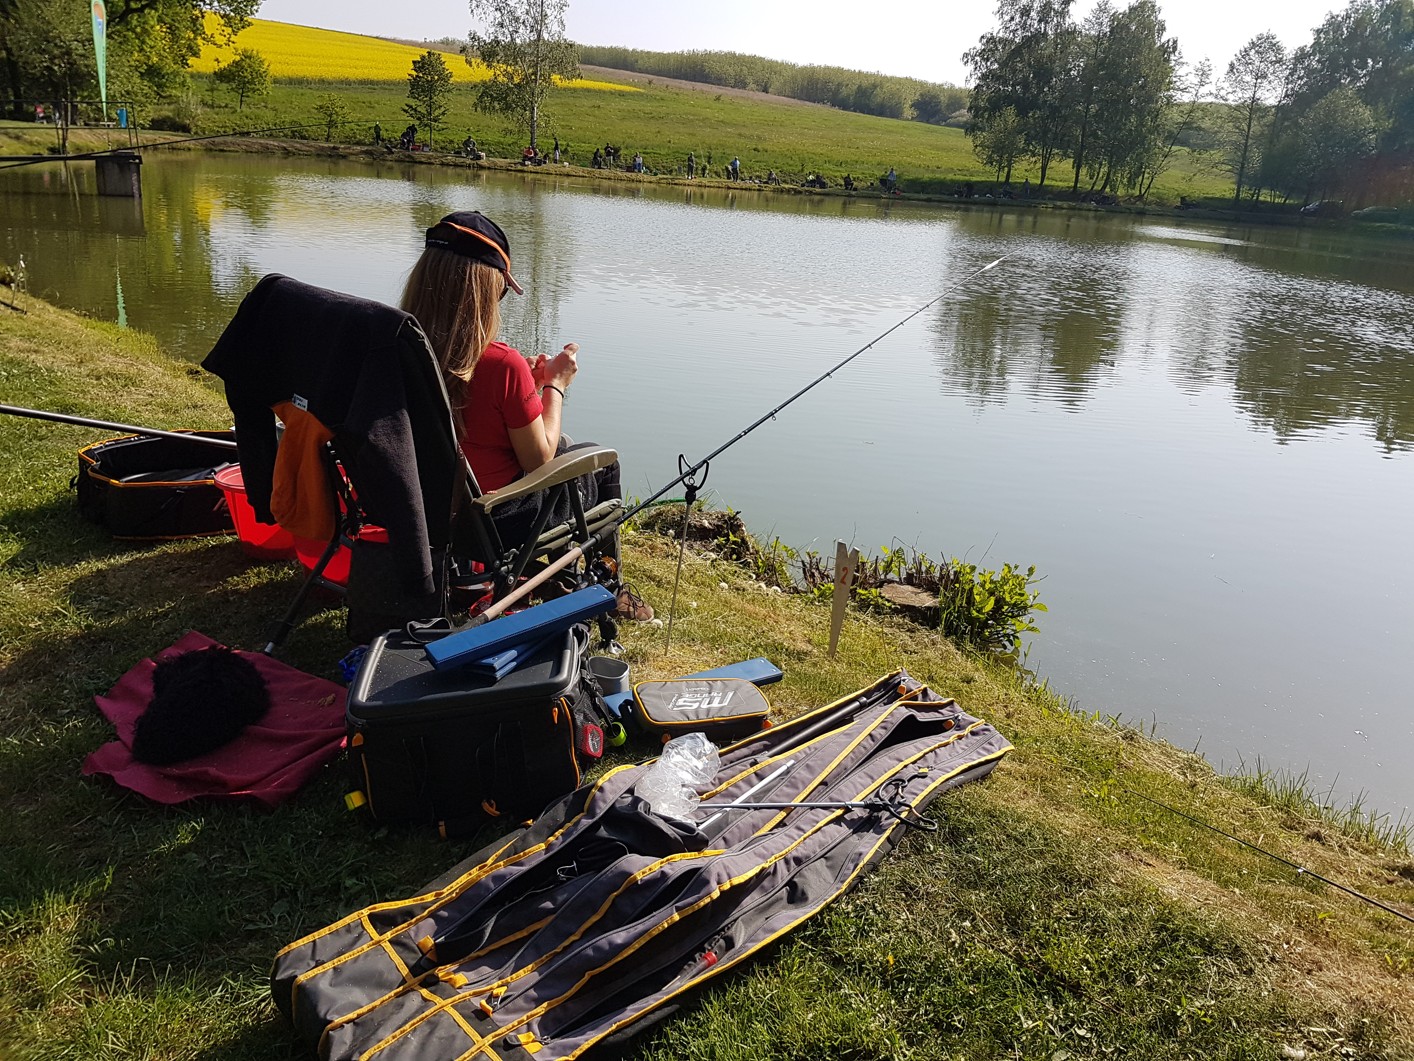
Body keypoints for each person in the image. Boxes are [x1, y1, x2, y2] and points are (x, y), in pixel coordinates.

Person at [401, 211, 652, 621]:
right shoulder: (501, 363)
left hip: (411, 509)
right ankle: (606, 588)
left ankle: (561, 580)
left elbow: (476, 421)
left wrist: (528, 389)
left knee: (568, 447)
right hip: (491, 524)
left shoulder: (397, 348)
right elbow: (538, 460)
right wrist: (556, 384)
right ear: (486, 291)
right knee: (600, 462)